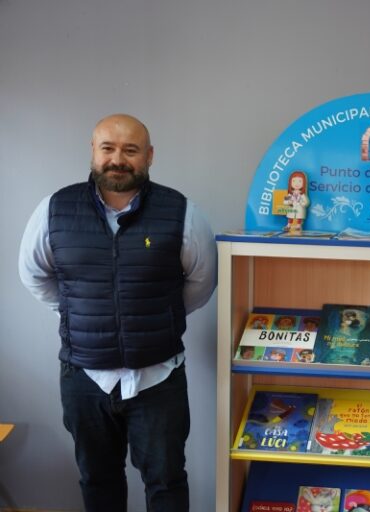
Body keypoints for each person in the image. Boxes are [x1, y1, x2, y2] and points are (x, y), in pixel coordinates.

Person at [18, 114, 217, 511]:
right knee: (98, 481)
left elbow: (201, 282)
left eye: (131, 149)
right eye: (108, 148)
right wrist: (76, 311)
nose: (118, 158)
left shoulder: (181, 212)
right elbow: (33, 275)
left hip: (158, 378)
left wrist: (157, 315)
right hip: (84, 378)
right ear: (93, 152)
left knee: (166, 482)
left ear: (149, 156)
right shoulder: (54, 209)